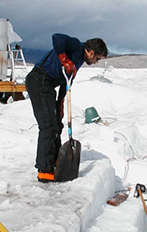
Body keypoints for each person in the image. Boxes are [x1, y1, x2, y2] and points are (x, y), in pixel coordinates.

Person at [26, 33, 108, 182]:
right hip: (39, 80)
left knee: (57, 124)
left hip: (48, 86)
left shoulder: (78, 60)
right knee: (48, 126)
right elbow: (57, 37)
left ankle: (55, 159)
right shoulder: (76, 46)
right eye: (97, 58)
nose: (96, 62)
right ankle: (44, 170)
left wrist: (60, 103)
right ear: (90, 51)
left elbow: (66, 81)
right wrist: (64, 60)